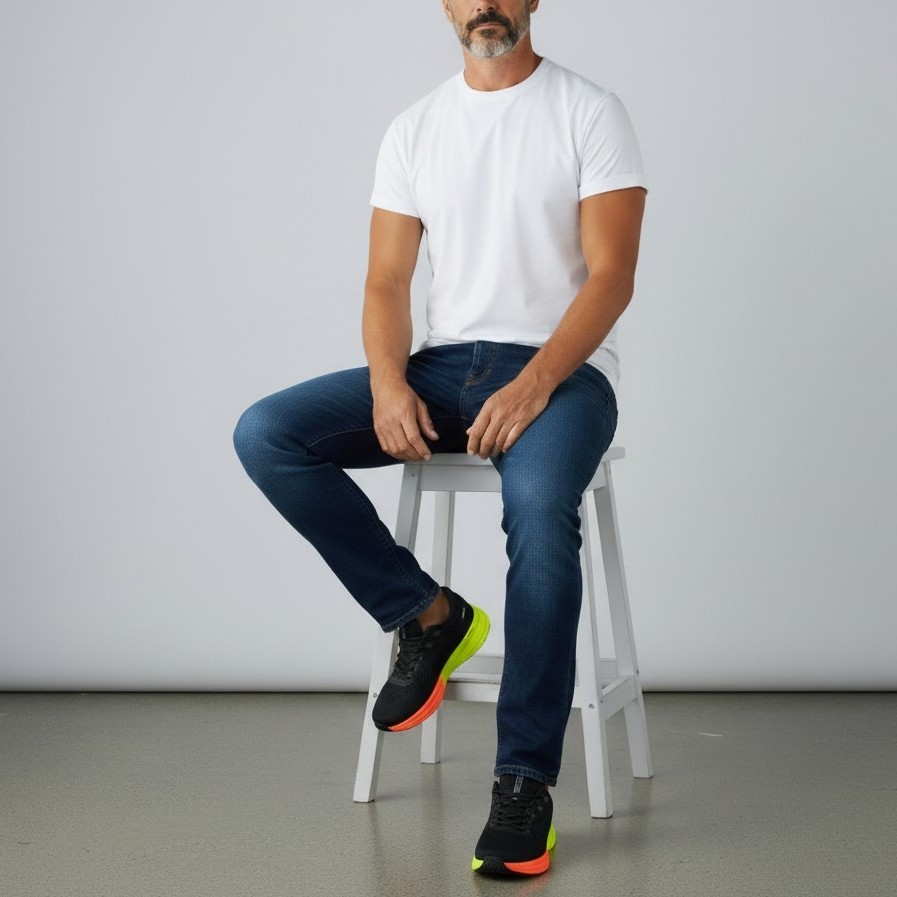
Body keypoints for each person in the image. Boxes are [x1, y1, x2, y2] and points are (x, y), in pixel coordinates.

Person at [233, 0, 646, 877]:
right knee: (267, 433)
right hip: (443, 366)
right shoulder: (414, 128)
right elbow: (385, 280)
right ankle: (426, 613)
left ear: (532, 1)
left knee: (539, 513)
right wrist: (388, 382)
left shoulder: (589, 111)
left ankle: (523, 781)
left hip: (563, 373)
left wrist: (536, 382)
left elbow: (611, 276)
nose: (485, 4)